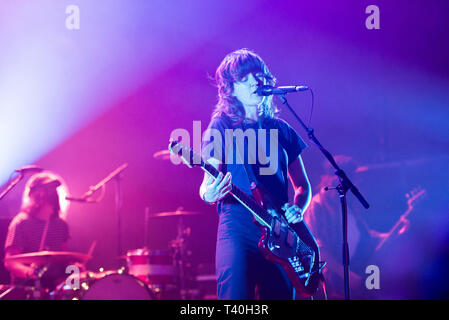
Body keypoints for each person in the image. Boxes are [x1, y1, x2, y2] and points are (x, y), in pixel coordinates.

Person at [199, 48, 320, 300]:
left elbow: (303, 187)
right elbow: (206, 186)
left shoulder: (282, 130)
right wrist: (209, 194)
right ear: (230, 88)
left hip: (280, 234)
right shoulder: (222, 125)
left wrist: (298, 207)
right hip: (238, 229)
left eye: (259, 75)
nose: (255, 81)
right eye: (245, 78)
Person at [3, 172, 70, 291]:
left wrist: (74, 267)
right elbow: (10, 262)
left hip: (54, 286)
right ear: (34, 194)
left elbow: (64, 258)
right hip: (27, 287)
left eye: (51, 190)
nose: (47, 194)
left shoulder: (61, 225)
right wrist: (29, 272)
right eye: (44, 190)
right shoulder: (21, 223)